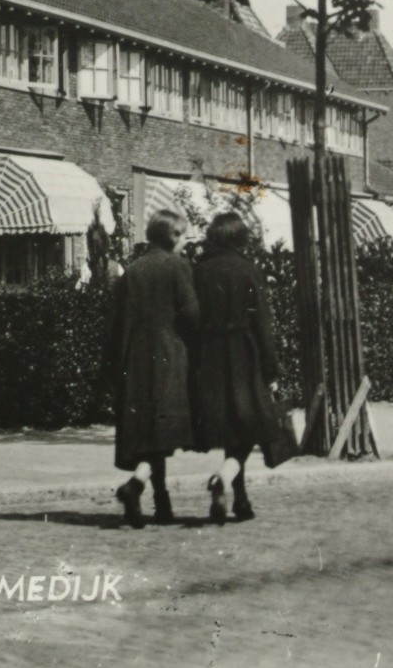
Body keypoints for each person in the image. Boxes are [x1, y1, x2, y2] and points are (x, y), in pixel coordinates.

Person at [105, 208, 199, 528]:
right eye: (183, 235)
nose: (185, 242)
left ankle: (162, 504)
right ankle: (136, 485)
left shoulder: (132, 271)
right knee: (165, 430)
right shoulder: (177, 265)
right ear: (172, 236)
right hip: (168, 357)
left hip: (135, 360)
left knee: (151, 431)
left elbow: (115, 324)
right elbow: (191, 314)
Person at [190, 211, 284, 524]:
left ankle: (240, 499)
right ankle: (225, 477)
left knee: (232, 429)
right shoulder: (248, 270)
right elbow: (262, 324)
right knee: (253, 426)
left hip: (210, 357)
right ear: (239, 238)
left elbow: (190, 320)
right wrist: (271, 369)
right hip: (243, 355)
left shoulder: (198, 271)